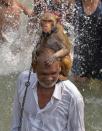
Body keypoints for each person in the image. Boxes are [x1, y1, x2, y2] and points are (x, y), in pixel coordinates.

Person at [11, 46, 85, 131]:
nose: (49, 78)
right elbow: (16, 123)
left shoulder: (73, 96)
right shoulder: (23, 80)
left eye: (53, 73)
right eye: (44, 74)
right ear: (34, 68)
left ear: (60, 68)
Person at [67, 0, 102, 80]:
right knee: (78, 81)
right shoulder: (76, 3)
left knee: (97, 82)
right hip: (80, 51)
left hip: (98, 53)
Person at [33, 12, 72, 80]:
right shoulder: (42, 31)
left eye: (49, 21)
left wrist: (55, 56)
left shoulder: (58, 32)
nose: (46, 25)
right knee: (34, 57)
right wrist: (35, 52)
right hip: (49, 58)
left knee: (65, 61)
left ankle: (63, 75)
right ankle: (36, 73)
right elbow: (39, 45)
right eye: (44, 21)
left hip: (59, 57)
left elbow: (66, 49)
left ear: (56, 22)